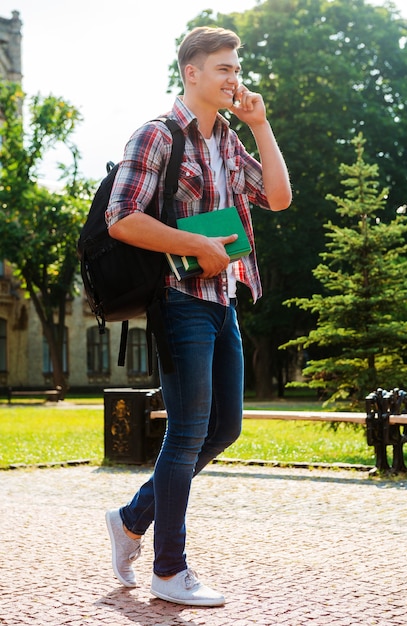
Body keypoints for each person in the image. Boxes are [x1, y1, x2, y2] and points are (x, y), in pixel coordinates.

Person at [104, 25, 292, 607]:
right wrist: (195, 246)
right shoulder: (158, 135)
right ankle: (168, 569)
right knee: (185, 434)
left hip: (223, 301)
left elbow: (279, 198)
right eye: (224, 69)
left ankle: (132, 517)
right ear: (192, 72)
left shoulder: (231, 140)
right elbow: (121, 217)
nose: (234, 78)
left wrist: (260, 124)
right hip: (179, 299)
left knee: (224, 428)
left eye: (237, 68)